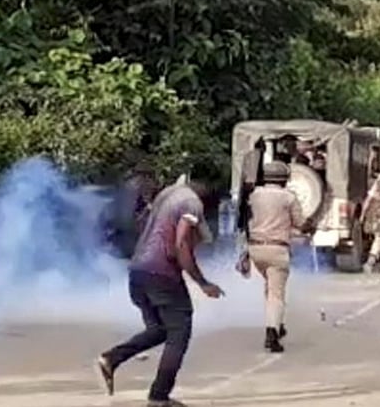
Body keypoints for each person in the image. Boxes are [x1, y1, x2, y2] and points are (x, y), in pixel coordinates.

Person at [96, 180, 224, 407]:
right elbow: (181, 244)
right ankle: (159, 396)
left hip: (137, 272)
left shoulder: (169, 195)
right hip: (161, 275)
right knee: (179, 332)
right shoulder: (191, 204)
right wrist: (202, 282)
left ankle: (111, 358)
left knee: (158, 329)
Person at [245, 161, 311, 353]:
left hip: (255, 249)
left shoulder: (253, 196)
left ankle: (277, 323)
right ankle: (272, 332)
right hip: (277, 250)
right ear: (285, 179)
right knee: (276, 294)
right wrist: (311, 225)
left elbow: (244, 220)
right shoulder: (288, 197)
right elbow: (300, 223)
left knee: (269, 288)